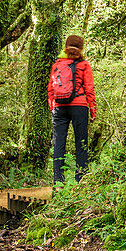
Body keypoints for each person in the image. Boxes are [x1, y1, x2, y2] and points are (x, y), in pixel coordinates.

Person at [48, 35, 96, 183]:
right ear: (81, 49)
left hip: (59, 107)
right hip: (79, 106)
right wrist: (93, 110)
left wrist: (52, 107)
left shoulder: (57, 65)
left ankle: (58, 182)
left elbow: (50, 88)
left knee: (59, 143)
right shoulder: (84, 65)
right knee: (81, 143)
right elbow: (89, 88)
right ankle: (80, 180)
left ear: (65, 47)